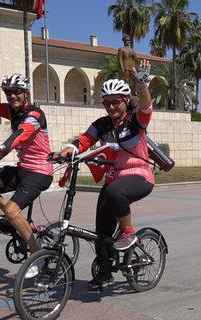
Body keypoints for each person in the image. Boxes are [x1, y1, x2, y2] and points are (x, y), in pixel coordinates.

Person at [59, 59, 153, 292]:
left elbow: (146, 108)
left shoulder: (135, 121)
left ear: (125, 101)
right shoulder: (101, 124)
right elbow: (83, 141)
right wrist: (68, 150)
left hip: (139, 175)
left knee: (114, 191)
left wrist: (142, 85)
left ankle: (129, 232)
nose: (111, 107)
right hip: (114, 180)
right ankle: (105, 270)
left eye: (116, 102)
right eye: (107, 103)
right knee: (101, 231)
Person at [0, 61, 53, 253]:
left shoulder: (35, 114)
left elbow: (20, 135)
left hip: (39, 172)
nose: (12, 96)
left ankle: (36, 252)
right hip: (23, 169)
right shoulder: (11, 111)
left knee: (12, 211)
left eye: (16, 91)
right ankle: (13, 215)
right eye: (8, 92)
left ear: (26, 93)